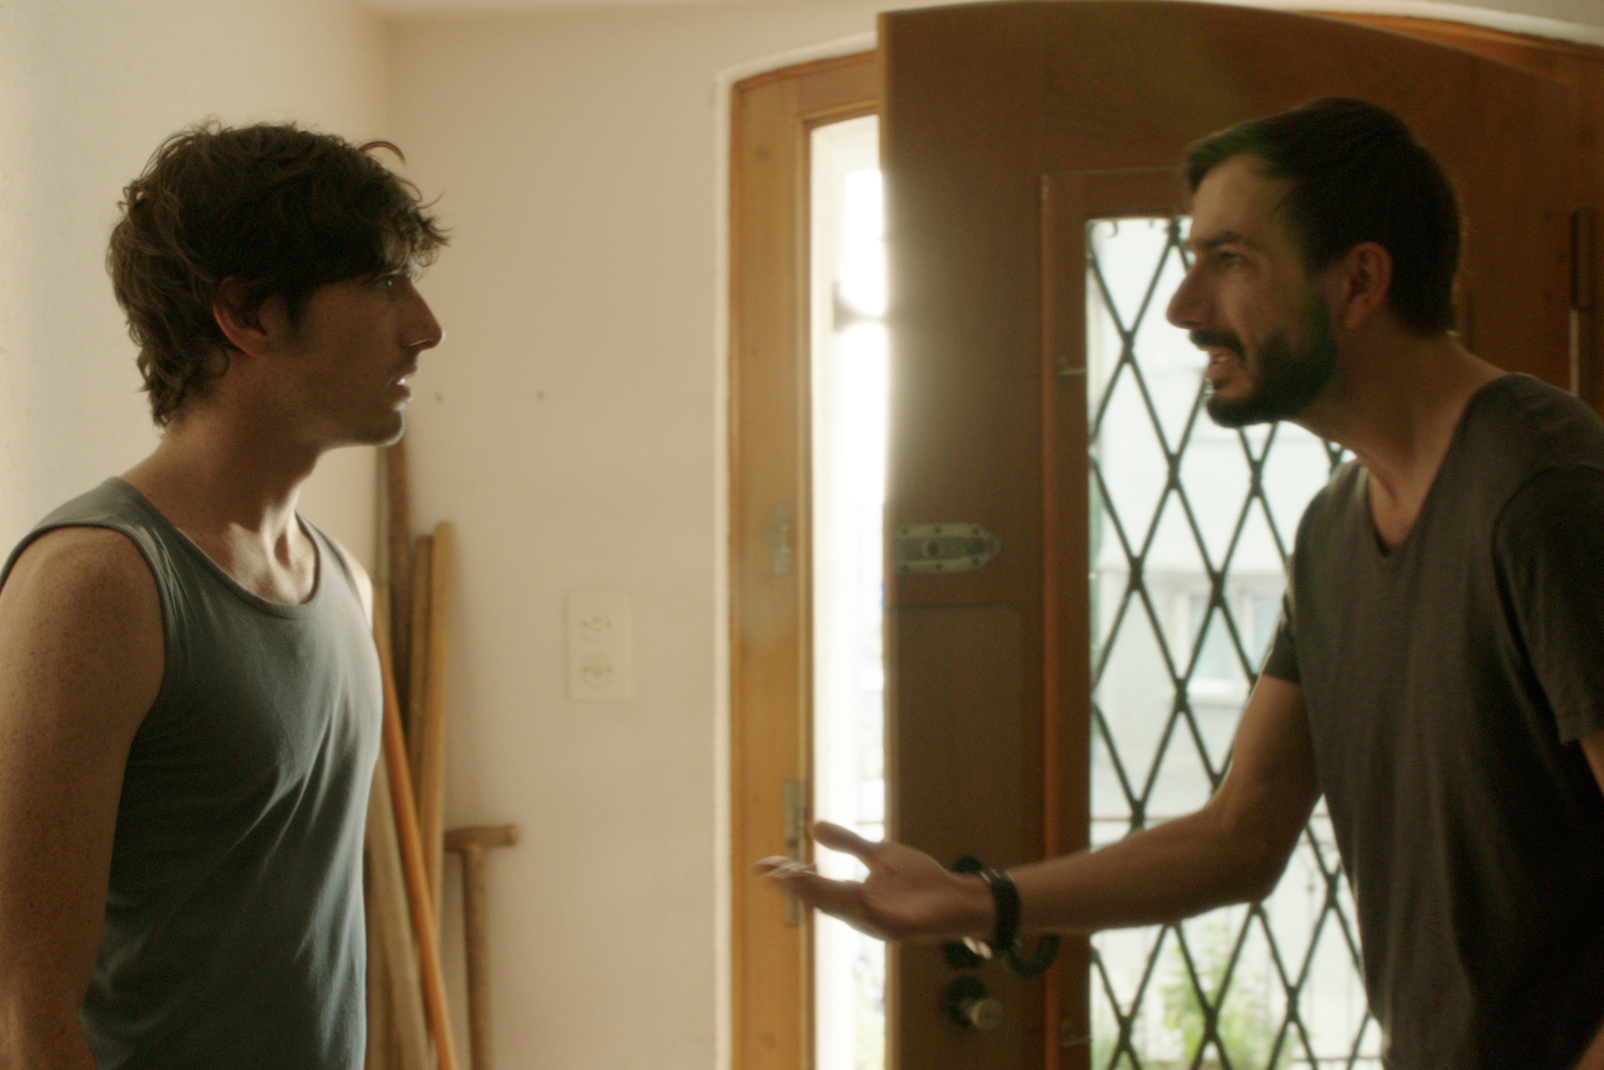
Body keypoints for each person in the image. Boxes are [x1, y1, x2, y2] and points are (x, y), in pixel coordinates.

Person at [762, 98, 1604, 1069]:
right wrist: (977, 900)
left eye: (1230, 260)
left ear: (1358, 281)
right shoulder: (1332, 530)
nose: (1183, 307)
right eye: (1191, 258)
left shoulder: (1545, 491)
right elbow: (1241, 834)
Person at [0, 121, 445, 1069]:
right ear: (245, 314)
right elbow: (22, 1016)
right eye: (382, 282)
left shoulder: (345, 582)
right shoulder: (98, 586)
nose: (424, 326)